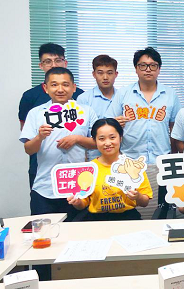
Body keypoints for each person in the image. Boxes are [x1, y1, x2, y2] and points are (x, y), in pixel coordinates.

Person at [105, 47, 181, 218]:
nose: (148, 69)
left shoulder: (170, 94)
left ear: (159, 69)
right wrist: (116, 123)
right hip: (130, 162)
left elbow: (174, 128)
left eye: (153, 65)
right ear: (136, 69)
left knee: (161, 209)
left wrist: (174, 156)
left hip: (162, 160)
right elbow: (108, 125)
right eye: (143, 65)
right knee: (133, 207)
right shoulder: (123, 94)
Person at [19, 68, 97, 216]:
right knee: (43, 229)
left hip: (78, 187)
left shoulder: (86, 111)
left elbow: (97, 143)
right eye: (54, 85)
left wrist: (77, 138)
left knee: (79, 229)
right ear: (45, 88)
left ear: (74, 87)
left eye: (65, 85)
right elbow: (28, 149)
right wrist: (39, 137)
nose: (60, 89)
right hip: (45, 187)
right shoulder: (36, 113)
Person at [18, 43, 84, 188]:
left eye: (58, 60)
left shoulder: (80, 95)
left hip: (76, 168)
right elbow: (26, 133)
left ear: (65, 63)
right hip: (41, 166)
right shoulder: (30, 97)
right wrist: (40, 137)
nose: (53, 65)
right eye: (48, 61)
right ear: (41, 65)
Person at [67, 118, 152, 220]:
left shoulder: (133, 166)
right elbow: (83, 203)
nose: (107, 143)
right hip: (96, 220)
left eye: (112, 137)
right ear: (95, 141)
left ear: (120, 138)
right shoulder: (88, 169)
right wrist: (77, 202)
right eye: (101, 139)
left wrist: (137, 197)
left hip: (128, 218)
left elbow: (145, 202)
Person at [77, 54, 120, 159]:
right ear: (94, 74)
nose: (105, 77)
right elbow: (81, 132)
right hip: (93, 157)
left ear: (116, 74)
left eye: (109, 73)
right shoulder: (84, 99)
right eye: (100, 73)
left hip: (119, 157)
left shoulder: (123, 97)